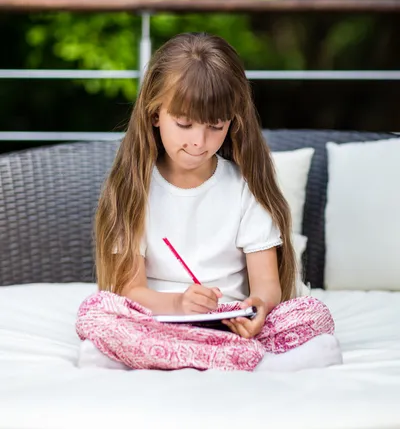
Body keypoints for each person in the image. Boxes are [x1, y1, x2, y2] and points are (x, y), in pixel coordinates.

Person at [77, 33, 342, 371]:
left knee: (310, 313)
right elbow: (131, 290)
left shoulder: (246, 187)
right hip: (161, 319)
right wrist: (179, 303)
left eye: (216, 127)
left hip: (231, 325)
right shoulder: (134, 188)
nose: (199, 143)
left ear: (233, 121)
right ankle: (248, 363)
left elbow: (267, 287)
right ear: (155, 113)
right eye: (184, 124)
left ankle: (176, 358)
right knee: (97, 310)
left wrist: (258, 309)